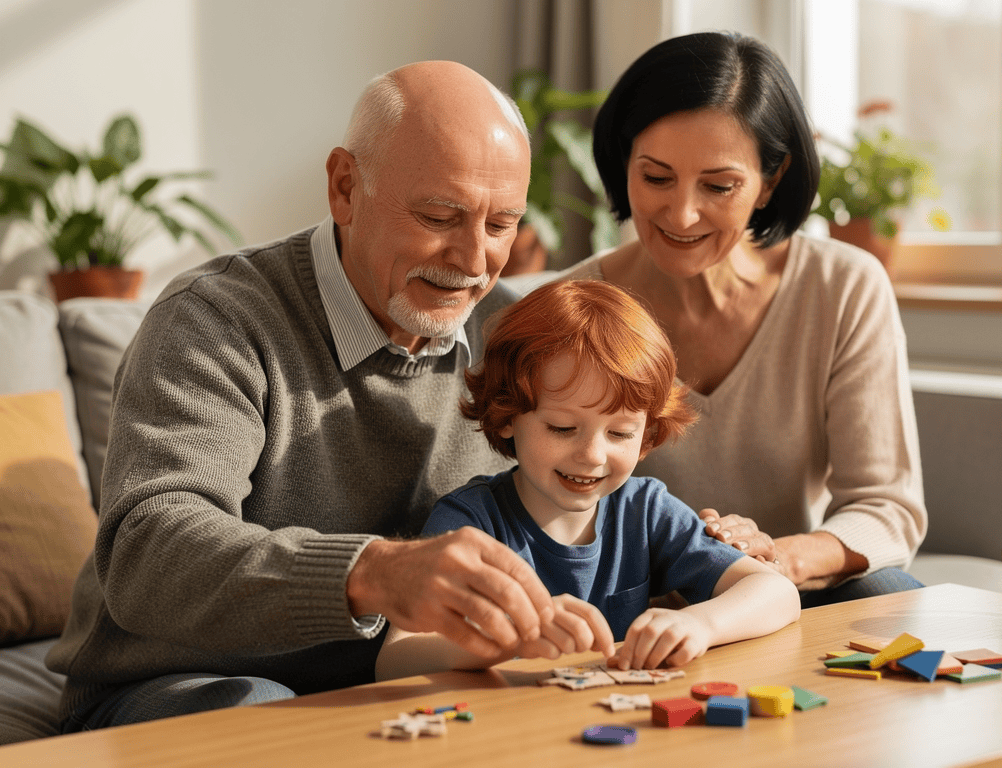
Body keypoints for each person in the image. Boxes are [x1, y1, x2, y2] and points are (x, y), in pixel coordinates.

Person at [45, 60, 575, 731]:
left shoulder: (511, 331)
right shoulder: (214, 320)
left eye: (501, 225)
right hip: (178, 683)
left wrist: (708, 541)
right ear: (346, 187)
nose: (473, 261)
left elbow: (597, 480)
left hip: (401, 688)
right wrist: (372, 571)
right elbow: (149, 554)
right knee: (265, 716)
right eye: (441, 214)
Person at [562, 32, 927, 607]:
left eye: (719, 185)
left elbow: (886, 507)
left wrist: (779, 558)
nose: (681, 213)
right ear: (623, 160)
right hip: (632, 602)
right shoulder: (572, 305)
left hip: (785, 583)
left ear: (770, 181)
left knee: (891, 596)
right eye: (656, 178)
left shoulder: (842, 287)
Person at [375, 279, 801, 681]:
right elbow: (394, 660)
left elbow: (777, 592)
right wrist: (500, 641)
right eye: (562, 428)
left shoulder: (646, 510)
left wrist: (700, 624)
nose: (593, 455)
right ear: (506, 416)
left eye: (620, 433)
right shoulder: (470, 521)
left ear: (647, 435)